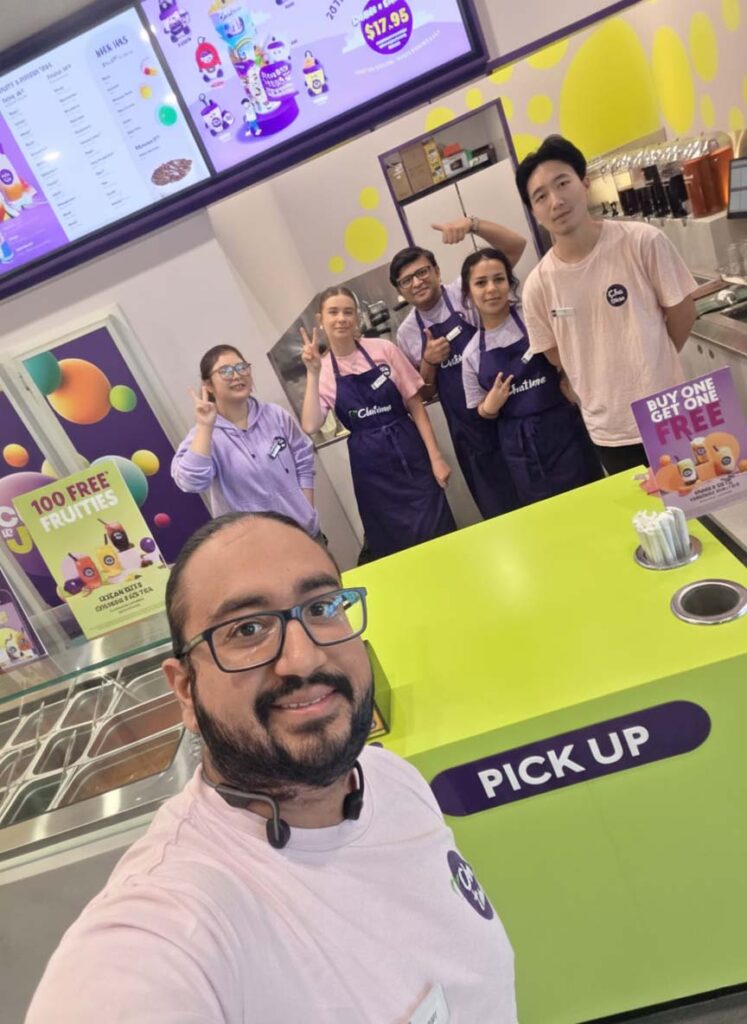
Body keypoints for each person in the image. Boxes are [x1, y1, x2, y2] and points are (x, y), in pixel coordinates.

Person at [26, 511, 518, 1022]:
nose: (303, 659)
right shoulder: (174, 922)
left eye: (323, 606)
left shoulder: (389, 776)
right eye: (248, 629)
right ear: (186, 689)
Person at [516, 135, 698, 475]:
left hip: (669, 412)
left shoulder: (641, 241)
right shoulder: (538, 286)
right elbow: (556, 353)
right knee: (648, 524)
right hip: (610, 432)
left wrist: (651, 361)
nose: (555, 201)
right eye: (541, 196)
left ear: (584, 184)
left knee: (705, 511)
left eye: (562, 183)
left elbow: (683, 312)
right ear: (533, 210)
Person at [301, 286, 455, 560]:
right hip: (371, 470)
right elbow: (311, 424)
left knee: (439, 531)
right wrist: (312, 374)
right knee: (394, 545)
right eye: (333, 312)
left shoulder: (384, 349)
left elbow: (416, 406)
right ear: (320, 320)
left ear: (357, 317)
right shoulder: (323, 371)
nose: (341, 319)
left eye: (348, 312)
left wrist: (436, 457)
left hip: (410, 453)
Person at [392, 217, 527, 518]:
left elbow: (516, 247)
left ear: (437, 271)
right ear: (401, 290)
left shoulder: (466, 292)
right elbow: (425, 394)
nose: (417, 282)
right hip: (471, 436)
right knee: (503, 516)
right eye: (406, 280)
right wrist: (429, 361)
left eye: (422, 272)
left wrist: (473, 225)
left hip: (512, 413)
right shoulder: (407, 333)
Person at [461, 247, 602, 504]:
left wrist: (568, 378)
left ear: (510, 283)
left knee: (594, 500)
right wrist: (490, 408)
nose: (491, 288)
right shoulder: (471, 354)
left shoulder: (534, 318)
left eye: (499, 279)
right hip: (522, 448)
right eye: (481, 283)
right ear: (468, 293)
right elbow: (478, 410)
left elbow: (574, 353)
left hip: (565, 429)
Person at [172, 344, 320, 536]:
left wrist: (305, 508)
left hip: (304, 533)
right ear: (208, 385)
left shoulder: (275, 415)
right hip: (254, 547)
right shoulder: (204, 434)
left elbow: (304, 458)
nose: (236, 375)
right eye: (225, 371)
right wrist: (205, 427)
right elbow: (191, 482)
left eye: (242, 367)